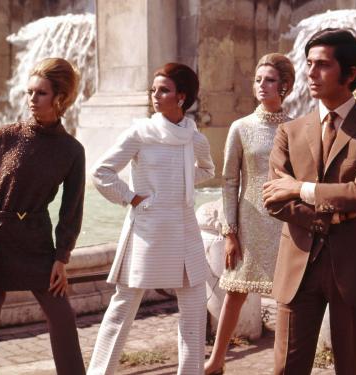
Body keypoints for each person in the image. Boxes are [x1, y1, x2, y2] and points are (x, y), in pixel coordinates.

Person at [262, 28, 356, 374]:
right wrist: (331, 216)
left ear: (350, 74)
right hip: (298, 266)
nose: (310, 73)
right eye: (308, 64)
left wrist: (301, 188)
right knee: (285, 368)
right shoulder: (289, 132)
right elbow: (274, 198)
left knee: (352, 368)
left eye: (322, 65)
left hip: (354, 266)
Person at [0, 57, 86, 375]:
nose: (32, 100)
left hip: (35, 241)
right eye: (29, 92)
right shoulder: (5, 136)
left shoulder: (71, 150)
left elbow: (71, 209)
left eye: (41, 93)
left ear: (60, 98)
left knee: (62, 315)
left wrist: (61, 257)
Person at [88, 63, 215, 375]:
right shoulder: (139, 133)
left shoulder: (193, 138)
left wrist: (181, 184)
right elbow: (101, 172)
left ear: (182, 97)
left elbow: (209, 171)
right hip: (148, 228)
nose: (155, 96)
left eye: (163, 90)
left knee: (195, 307)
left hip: (185, 229)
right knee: (124, 305)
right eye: (153, 90)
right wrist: (133, 198)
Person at [204, 53, 295, 375]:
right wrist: (230, 232)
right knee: (235, 292)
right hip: (250, 222)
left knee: (289, 299)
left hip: (286, 222)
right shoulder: (240, 127)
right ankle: (216, 361)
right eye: (258, 80)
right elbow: (229, 181)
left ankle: (281, 366)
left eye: (269, 80)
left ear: (284, 86)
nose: (262, 86)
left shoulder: (295, 128)